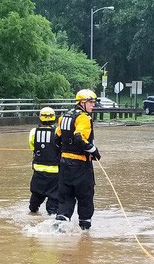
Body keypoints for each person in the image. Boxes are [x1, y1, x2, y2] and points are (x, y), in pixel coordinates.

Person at [55, 89, 101, 230]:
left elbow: (57, 139)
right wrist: (94, 151)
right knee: (85, 196)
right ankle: (85, 230)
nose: (93, 105)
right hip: (81, 165)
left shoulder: (64, 117)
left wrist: (63, 155)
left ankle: (60, 228)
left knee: (65, 198)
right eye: (91, 102)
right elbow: (79, 136)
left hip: (65, 165)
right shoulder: (84, 118)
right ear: (82, 102)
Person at [28, 107, 60, 215]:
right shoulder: (58, 132)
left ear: (40, 118)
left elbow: (32, 147)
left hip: (39, 171)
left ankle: (33, 213)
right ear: (54, 118)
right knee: (54, 201)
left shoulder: (33, 132)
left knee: (35, 198)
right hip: (56, 172)